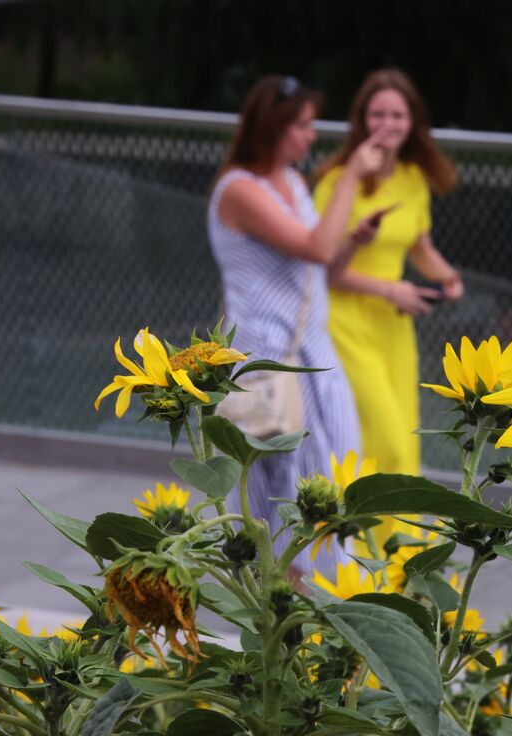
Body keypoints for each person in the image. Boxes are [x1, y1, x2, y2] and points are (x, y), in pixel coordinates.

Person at [207, 75, 383, 570]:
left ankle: (332, 601)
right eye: (303, 126)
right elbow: (314, 246)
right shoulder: (239, 189)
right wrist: (350, 176)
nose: (311, 136)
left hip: (313, 353)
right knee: (287, 495)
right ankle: (296, 610)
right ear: (273, 128)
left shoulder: (290, 182)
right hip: (269, 362)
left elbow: (317, 261)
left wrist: (353, 240)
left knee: (336, 480)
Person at [313, 68, 464, 479]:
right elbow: (323, 270)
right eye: (377, 115)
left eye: (396, 115)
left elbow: (420, 245)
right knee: (385, 444)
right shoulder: (336, 181)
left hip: (394, 328)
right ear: (361, 120)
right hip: (344, 324)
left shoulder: (413, 179)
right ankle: (358, 542)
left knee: (406, 447)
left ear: (412, 121)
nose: (387, 124)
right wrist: (388, 289)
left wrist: (448, 278)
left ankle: (404, 544)